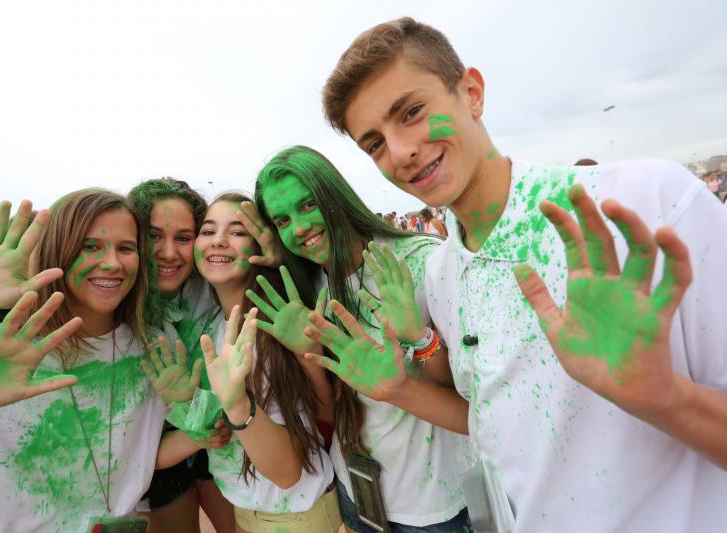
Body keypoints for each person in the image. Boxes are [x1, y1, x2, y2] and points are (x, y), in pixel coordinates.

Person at [321, 16, 727, 532]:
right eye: (374, 143)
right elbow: (493, 423)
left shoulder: (647, 205)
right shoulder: (444, 273)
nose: (399, 152)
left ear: (471, 93)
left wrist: (669, 399)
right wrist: (397, 389)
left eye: (412, 112)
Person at [251, 146, 471, 532]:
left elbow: (474, 402)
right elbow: (331, 412)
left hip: (433, 507)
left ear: (335, 194)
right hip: (357, 492)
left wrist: (419, 339)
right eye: (283, 219)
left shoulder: (421, 262)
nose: (299, 227)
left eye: (308, 205)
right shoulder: (314, 283)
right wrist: (308, 356)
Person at [0, 189, 169, 532]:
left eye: (126, 248)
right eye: (90, 247)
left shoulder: (148, 351)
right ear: (56, 250)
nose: (113, 263)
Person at [147, 192, 340, 532]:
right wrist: (187, 404)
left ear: (259, 248)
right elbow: (218, 430)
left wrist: (239, 404)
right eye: (207, 231)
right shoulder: (208, 327)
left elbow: (286, 473)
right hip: (246, 512)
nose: (218, 241)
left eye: (237, 232)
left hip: (293, 517)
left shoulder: (272, 330)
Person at [128, 178, 236, 533]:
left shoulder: (210, 284)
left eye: (184, 238)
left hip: (216, 444)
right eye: (154, 236)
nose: (169, 253)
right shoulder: (115, 307)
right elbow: (122, 449)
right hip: (154, 459)